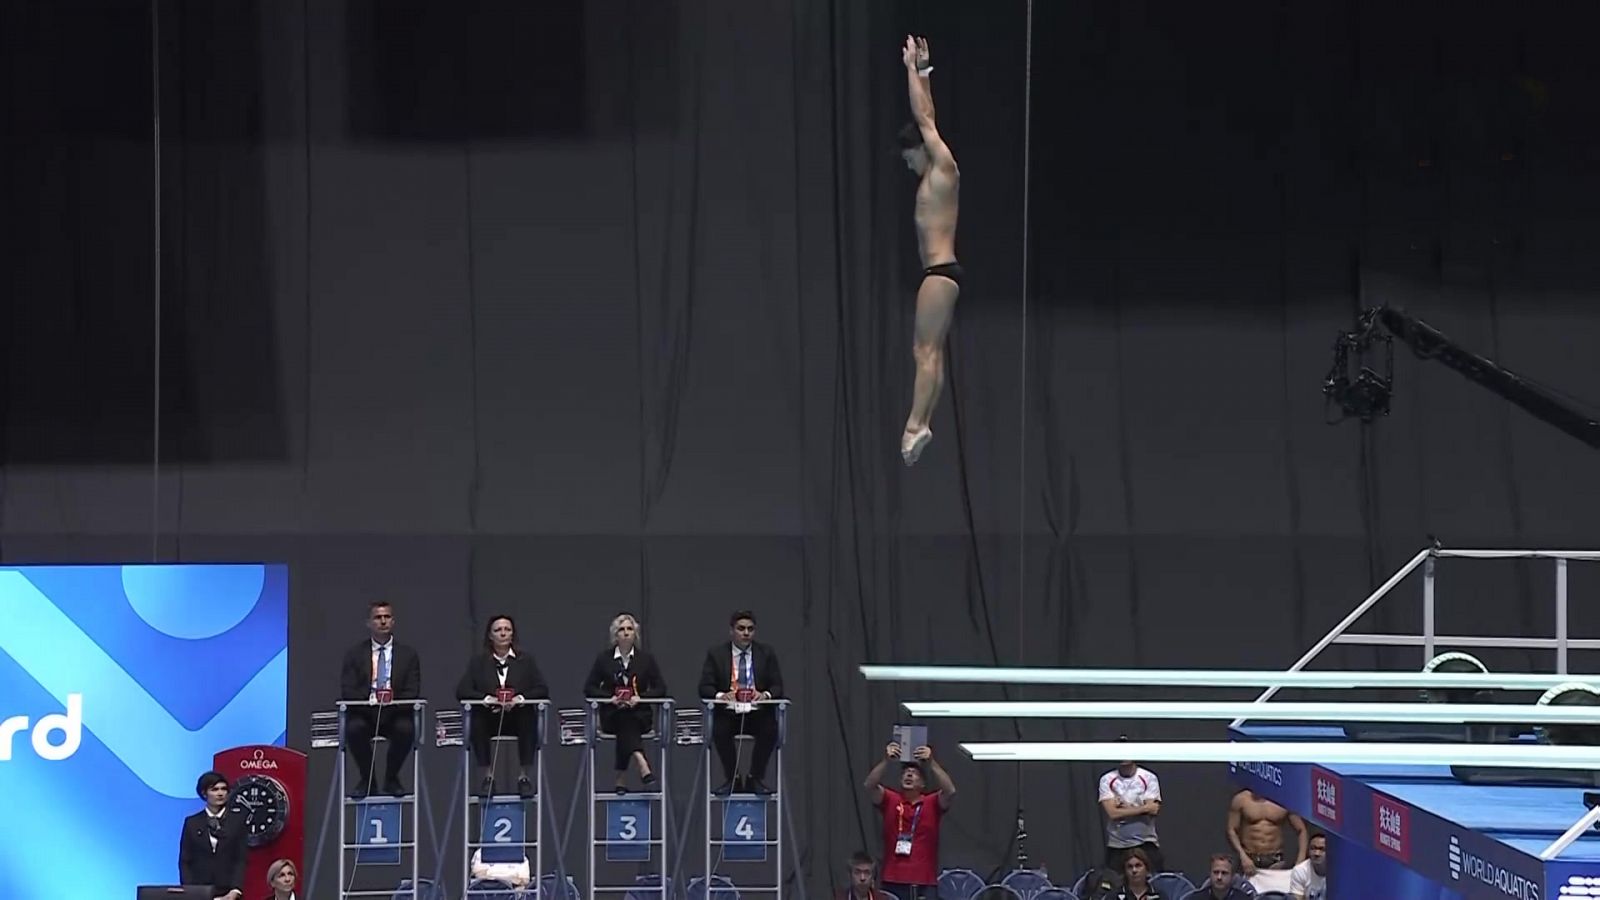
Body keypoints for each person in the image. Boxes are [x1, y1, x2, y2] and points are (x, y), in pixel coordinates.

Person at [896, 34, 961, 466]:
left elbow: (925, 117)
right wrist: (924, 70)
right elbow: (929, 112)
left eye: (907, 157)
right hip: (944, 274)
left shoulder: (942, 166)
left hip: (938, 273)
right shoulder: (936, 171)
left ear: (921, 151)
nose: (906, 163)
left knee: (924, 352)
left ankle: (916, 423)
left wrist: (910, 70)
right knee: (931, 352)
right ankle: (923, 422)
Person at [456, 614, 550, 798]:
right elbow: (462, 690)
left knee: (528, 717)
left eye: (507, 630)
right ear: (490, 636)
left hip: (516, 717)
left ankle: (524, 778)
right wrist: (487, 699)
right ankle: (488, 778)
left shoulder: (526, 661)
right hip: (490, 716)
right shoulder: (478, 662)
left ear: (513, 634)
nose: (503, 634)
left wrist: (520, 699)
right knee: (477, 720)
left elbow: (542, 688)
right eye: (498, 630)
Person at [338, 601, 423, 797]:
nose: (383, 621)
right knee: (354, 728)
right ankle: (368, 780)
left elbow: (413, 690)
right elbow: (348, 689)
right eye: (378, 617)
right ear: (368, 623)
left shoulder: (408, 655)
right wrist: (369, 702)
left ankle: (391, 778)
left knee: (406, 729)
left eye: (386, 617)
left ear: (393, 621)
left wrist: (391, 703)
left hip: (395, 711)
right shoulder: (354, 654)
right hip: (366, 711)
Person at [697, 610, 784, 794]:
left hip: (756, 711)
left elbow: (778, 686)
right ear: (732, 631)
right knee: (719, 729)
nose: (746, 633)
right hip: (730, 711)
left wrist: (765, 695)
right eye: (741, 629)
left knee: (770, 728)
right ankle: (733, 779)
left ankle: (755, 778)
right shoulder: (717, 654)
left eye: (750, 629)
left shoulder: (766, 653)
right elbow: (704, 687)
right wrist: (721, 695)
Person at [585, 613, 667, 793]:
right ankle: (641, 761)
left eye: (630, 629)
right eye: (621, 630)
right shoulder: (604, 659)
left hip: (639, 715)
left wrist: (641, 698)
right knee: (623, 719)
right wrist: (610, 698)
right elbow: (589, 688)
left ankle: (621, 778)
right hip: (612, 715)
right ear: (615, 635)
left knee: (628, 721)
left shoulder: (646, 659)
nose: (626, 633)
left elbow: (661, 688)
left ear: (635, 634)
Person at [862, 741, 956, 900]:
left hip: (924, 881)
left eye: (914, 773)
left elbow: (950, 791)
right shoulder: (891, 800)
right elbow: (869, 785)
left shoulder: (931, 802)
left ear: (923, 783)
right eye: (906, 772)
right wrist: (886, 760)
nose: (909, 775)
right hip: (893, 878)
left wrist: (931, 762)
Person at [178, 771, 247, 899]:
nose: (220, 793)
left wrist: (235, 890)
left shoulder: (237, 821)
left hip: (228, 892)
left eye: (224, 789)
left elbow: (240, 859)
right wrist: (190, 890)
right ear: (204, 793)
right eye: (214, 789)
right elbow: (185, 861)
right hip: (199, 891)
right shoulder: (192, 823)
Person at [1098, 742, 1165, 873]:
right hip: (1118, 846)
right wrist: (1143, 808)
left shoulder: (1149, 778)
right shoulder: (1107, 779)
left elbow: (1153, 810)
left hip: (1146, 843)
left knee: (1154, 884)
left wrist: (1123, 807)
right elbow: (1113, 813)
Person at [1227, 789, 1308, 893]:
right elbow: (1231, 829)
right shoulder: (1241, 799)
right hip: (1250, 860)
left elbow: (1301, 830)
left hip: (1275, 861)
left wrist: (1300, 862)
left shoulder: (1284, 799)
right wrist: (1242, 856)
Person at [1288, 833, 1327, 900]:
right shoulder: (1300, 870)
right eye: (1313, 848)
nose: (1316, 853)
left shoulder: (1341, 870)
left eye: (1322, 849)